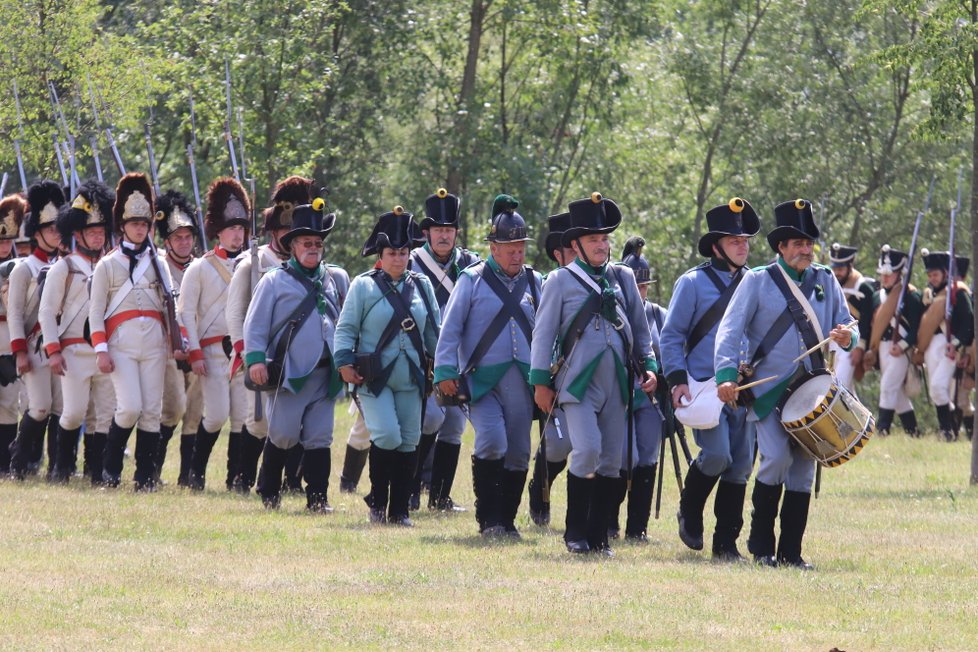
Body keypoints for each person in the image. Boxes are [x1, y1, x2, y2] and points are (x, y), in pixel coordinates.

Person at [715, 198, 857, 569]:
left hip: (812, 391)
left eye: (809, 243)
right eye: (797, 243)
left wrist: (846, 337)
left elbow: (848, 325)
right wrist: (726, 375)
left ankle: (791, 553)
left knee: (803, 468)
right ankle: (762, 546)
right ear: (781, 247)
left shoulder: (825, 278)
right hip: (768, 390)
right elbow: (729, 331)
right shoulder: (758, 281)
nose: (805, 250)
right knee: (775, 459)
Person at [529, 192, 658, 556]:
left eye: (604, 239)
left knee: (612, 462)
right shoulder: (559, 280)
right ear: (576, 244)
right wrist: (539, 381)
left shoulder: (624, 277)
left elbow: (640, 329)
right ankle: (575, 532)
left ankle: (599, 537)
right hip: (577, 384)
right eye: (593, 240)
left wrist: (649, 366)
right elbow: (543, 333)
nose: (601, 246)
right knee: (586, 450)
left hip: (618, 383)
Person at [434, 200, 542, 537]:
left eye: (521, 247)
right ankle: (489, 519)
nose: (516, 254)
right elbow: (450, 328)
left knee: (520, 450)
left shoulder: (536, 281)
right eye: (509, 248)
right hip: (481, 381)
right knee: (493, 441)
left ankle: (507, 520)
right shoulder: (472, 280)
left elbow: (547, 329)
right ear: (493, 248)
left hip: (522, 382)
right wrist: (445, 370)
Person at [660, 197, 759, 560]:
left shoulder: (757, 282)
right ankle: (689, 508)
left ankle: (726, 543)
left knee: (741, 466)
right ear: (717, 246)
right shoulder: (692, 283)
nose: (743, 246)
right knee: (717, 455)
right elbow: (671, 336)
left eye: (746, 240)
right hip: (705, 386)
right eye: (735, 241)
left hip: (745, 388)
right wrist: (676, 379)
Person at [334, 207, 439, 526]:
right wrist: (343, 362)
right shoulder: (363, 286)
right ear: (381, 255)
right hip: (373, 378)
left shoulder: (422, 286)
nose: (399, 258)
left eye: (404, 252)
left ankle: (399, 511)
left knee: (409, 440)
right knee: (388, 436)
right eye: (393, 252)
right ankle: (378, 503)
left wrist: (444, 369)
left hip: (412, 377)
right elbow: (346, 328)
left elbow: (435, 332)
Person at [245, 198, 349, 512]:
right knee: (283, 434)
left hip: (325, 373)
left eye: (318, 242)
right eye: (307, 242)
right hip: (291, 372)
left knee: (320, 437)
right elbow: (255, 323)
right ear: (293, 246)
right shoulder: (274, 281)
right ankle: (269, 491)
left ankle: (318, 498)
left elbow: (343, 321)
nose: (313, 247)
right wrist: (255, 360)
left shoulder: (334, 279)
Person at [228, 176, 311, 493]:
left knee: (297, 418)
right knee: (259, 420)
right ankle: (244, 478)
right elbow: (236, 312)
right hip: (258, 351)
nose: (289, 236)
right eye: (283, 231)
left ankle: (290, 481)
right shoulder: (254, 261)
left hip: (296, 352)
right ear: (274, 231)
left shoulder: (307, 265)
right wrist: (247, 353)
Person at [89, 173, 170, 491]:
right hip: (120, 344)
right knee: (130, 407)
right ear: (122, 225)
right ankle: (110, 470)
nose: (140, 228)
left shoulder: (159, 262)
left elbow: (169, 305)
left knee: (152, 411)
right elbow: (96, 312)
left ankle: (145, 476)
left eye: (145, 223)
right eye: (135, 223)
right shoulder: (107, 265)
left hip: (154, 343)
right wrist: (101, 350)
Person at [407, 188, 480, 512]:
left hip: (458, 359)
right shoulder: (410, 262)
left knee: (453, 425)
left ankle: (439, 496)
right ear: (427, 233)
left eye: (449, 231)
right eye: (438, 231)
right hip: (422, 356)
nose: (444, 236)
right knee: (429, 419)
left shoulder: (469, 264)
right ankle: (410, 489)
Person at [39, 180, 116, 484]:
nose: (98, 237)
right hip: (72, 350)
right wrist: (53, 350)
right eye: (92, 232)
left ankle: (95, 470)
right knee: (72, 413)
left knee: (103, 415)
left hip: (103, 350)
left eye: (101, 232)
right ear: (79, 234)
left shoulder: (111, 266)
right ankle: (61, 467)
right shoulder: (64, 268)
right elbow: (47, 312)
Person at [178, 177, 250, 491]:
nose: (238, 234)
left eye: (242, 228)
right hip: (211, 352)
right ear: (218, 231)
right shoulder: (200, 268)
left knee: (242, 417)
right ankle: (196, 470)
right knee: (216, 415)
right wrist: (194, 352)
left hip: (243, 351)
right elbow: (185, 313)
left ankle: (236, 477)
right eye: (232, 228)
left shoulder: (252, 265)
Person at [609, 236, 666, 543]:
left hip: (650, 400)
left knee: (646, 458)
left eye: (644, 286)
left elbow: (670, 350)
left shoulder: (659, 314)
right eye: (636, 286)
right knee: (622, 459)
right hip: (618, 396)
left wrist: (663, 376)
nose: (639, 292)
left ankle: (637, 528)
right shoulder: (612, 313)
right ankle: (608, 520)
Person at [7, 180, 64, 480]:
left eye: (59, 228)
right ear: (37, 232)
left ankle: (57, 467)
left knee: (60, 408)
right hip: (32, 345)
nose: (56, 234)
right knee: (39, 407)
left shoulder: (66, 265)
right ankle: (19, 458)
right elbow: (16, 313)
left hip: (60, 345)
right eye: (50, 228)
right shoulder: (24, 269)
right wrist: (19, 352)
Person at [526, 211, 575, 526]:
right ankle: (538, 491)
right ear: (558, 254)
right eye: (571, 249)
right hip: (554, 376)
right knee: (558, 445)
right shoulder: (547, 284)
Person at [155, 190, 203, 485]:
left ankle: (188, 476)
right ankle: (153, 469)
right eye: (178, 238)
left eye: (188, 237)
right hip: (169, 351)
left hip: (197, 349)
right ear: (167, 241)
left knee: (195, 415)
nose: (184, 242)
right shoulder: (158, 266)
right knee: (172, 409)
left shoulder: (202, 267)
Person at [862, 245, 923, 437]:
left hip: (900, 350)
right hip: (882, 349)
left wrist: (903, 345)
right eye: (883, 274)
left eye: (890, 274)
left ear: (900, 274)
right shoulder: (876, 297)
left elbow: (917, 328)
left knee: (887, 387)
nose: (885, 277)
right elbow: (869, 326)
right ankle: (913, 432)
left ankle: (882, 429)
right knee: (896, 394)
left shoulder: (911, 297)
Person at [914, 249, 974, 441]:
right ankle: (949, 429)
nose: (932, 278)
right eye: (930, 275)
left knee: (939, 387)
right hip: (931, 346)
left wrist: (956, 344)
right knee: (935, 390)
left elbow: (968, 323)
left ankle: (947, 429)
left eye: (936, 274)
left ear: (945, 274)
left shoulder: (958, 292)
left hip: (950, 348)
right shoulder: (928, 295)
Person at [0, 194, 26, 473]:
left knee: (9, 405)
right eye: (1, 241)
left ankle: (5, 464)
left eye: (8, 241)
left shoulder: (20, 268)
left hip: (8, 340)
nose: (5, 246)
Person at [827, 243, 876, 390]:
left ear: (850, 266)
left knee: (839, 389)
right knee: (843, 392)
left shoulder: (863, 288)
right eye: (834, 268)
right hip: (831, 342)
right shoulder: (829, 283)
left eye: (840, 269)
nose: (837, 273)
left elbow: (866, 322)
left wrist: (859, 348)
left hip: (851, 344)